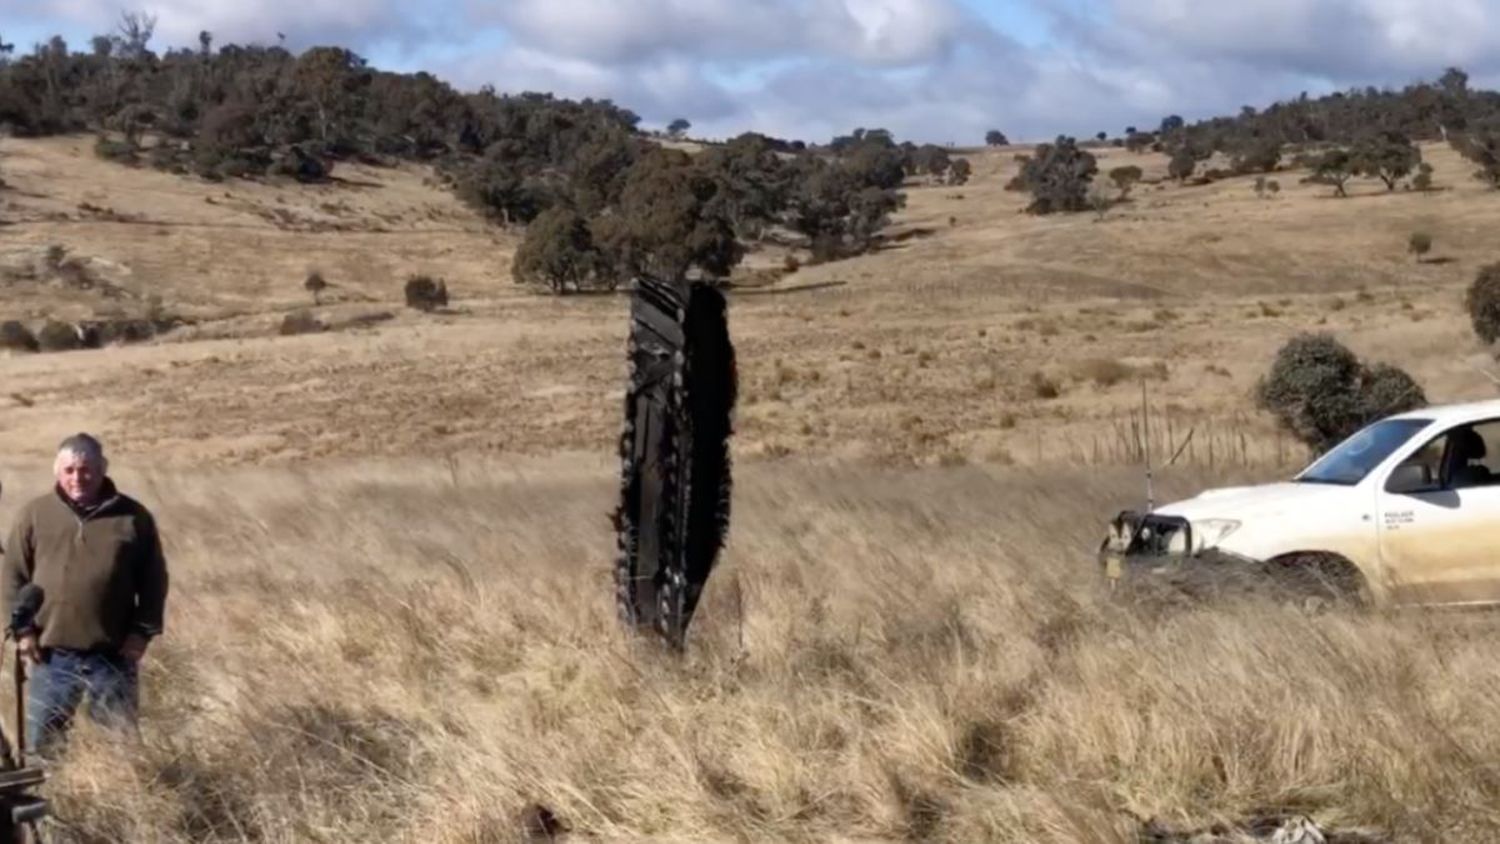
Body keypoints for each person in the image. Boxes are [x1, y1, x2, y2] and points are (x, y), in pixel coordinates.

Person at [0, 434, 169, 757]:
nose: (78, 477)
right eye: (69, 470)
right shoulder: (34, 514)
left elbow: (154, 581)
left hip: (114, 655)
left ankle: (121, 803)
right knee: (44, 750)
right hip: (50, 656)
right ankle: (50, 805)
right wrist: (23, 632)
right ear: (57, 471)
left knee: (120, 748)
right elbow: (13, 577)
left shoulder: (133, 517)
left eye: (86, 469)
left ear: (102, 469)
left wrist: (142, 632)